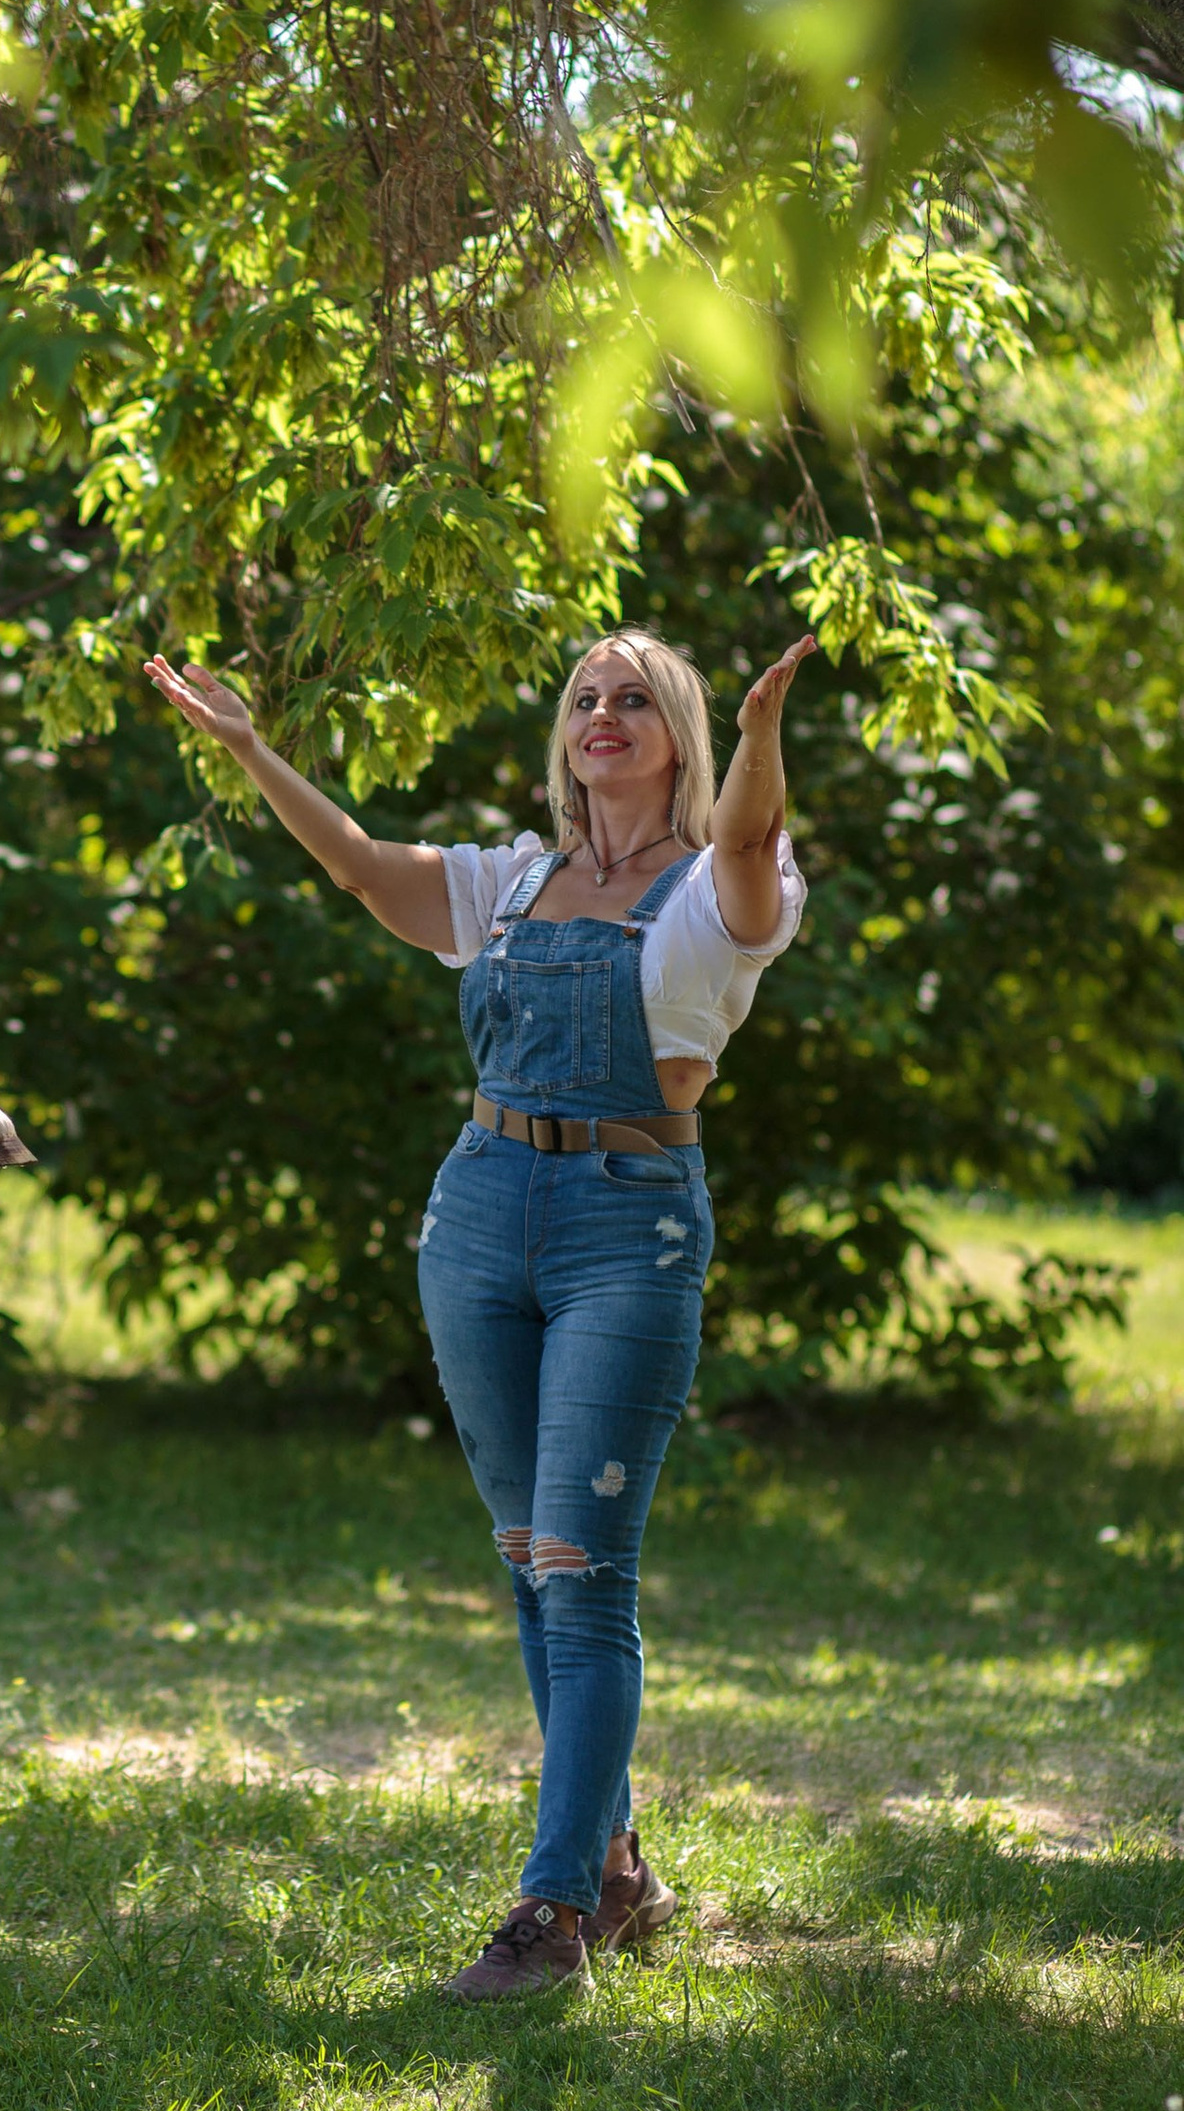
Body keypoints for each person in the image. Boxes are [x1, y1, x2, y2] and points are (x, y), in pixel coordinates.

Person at [145, 626, 814, 1999]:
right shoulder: (512, 882)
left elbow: (747, 845)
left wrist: (759, 738)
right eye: (586, 697)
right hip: (478, 1214)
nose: (605, 714)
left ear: (678, 735)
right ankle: (618, 1869)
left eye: (637, 699)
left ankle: (552, 1915)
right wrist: (251, 749)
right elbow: (360, 867)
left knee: (584, 1567)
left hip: (628, 1224)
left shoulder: (721, 890)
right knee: (529, 1559)